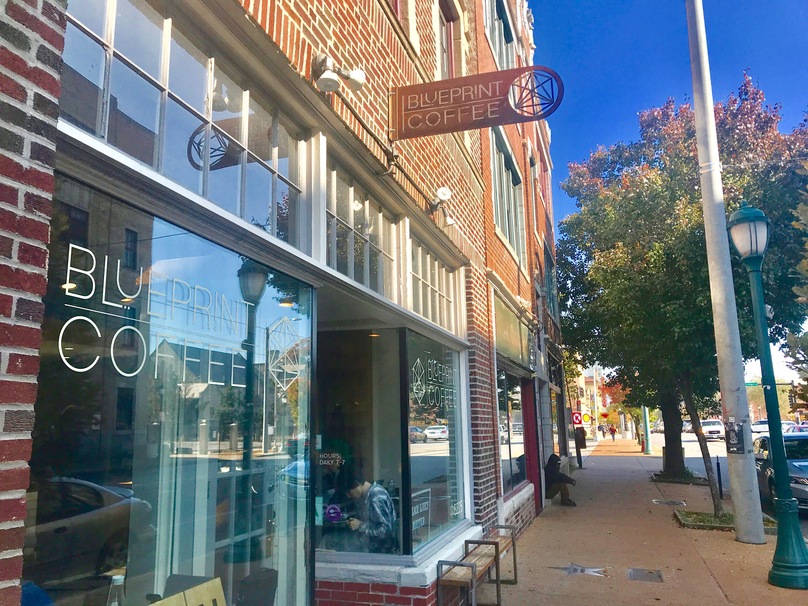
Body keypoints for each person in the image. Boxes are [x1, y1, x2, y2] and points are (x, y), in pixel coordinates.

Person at [319, 470, 398, 553]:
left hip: (375, 546)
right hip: (366, 540)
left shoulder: (376, 497)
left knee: (329, 541)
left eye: (349, 492)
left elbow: (385, 531)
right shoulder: (370, 494)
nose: (348, 496)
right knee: (328, 538)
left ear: (357, 484)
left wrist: (360, 525)